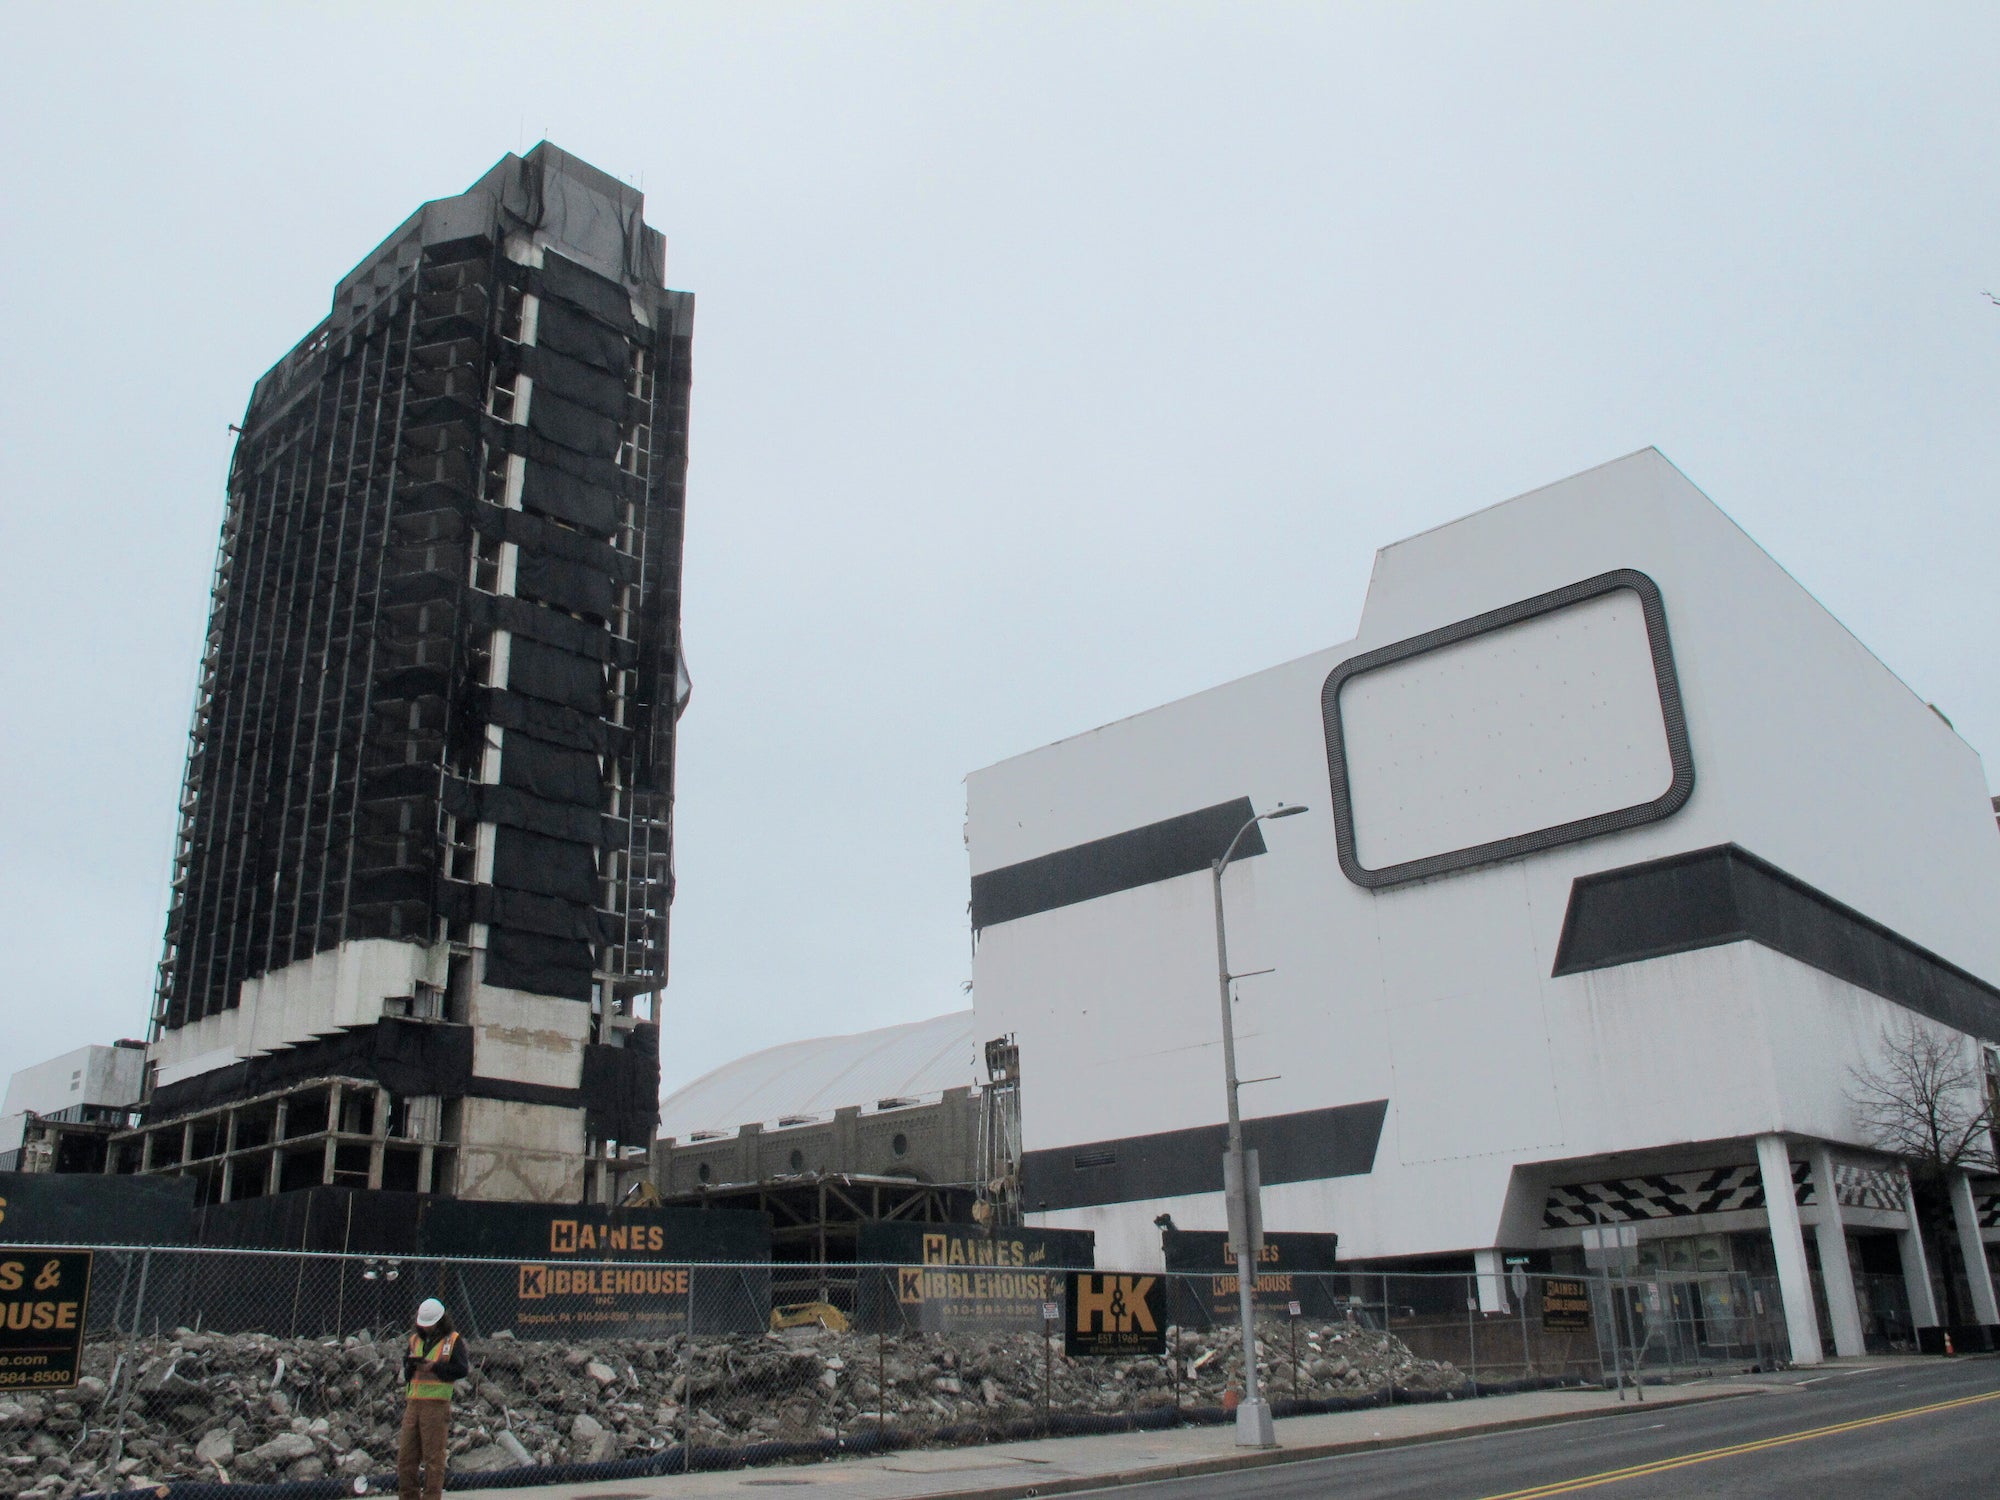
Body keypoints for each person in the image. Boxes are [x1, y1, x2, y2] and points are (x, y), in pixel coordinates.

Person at [398, 1298, 470, 1500]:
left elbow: (461, 1369)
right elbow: (406, 1372)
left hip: (436, 1406)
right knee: (406, 1459)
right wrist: (412, 1366)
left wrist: (435, 1367)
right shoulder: (415, 1340)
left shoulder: (453, 1340)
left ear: (440, 1321)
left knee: (433, 1459)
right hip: (414, 1404)